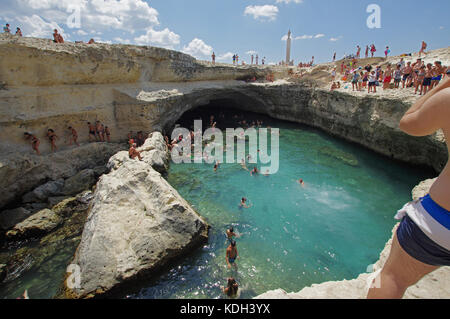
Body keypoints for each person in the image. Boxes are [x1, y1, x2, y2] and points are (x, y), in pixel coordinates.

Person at [367, 77, 450, 299]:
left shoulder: (448, 98)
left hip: (441, 221)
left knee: (392, 277)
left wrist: (442, 86)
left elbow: (407, 123)